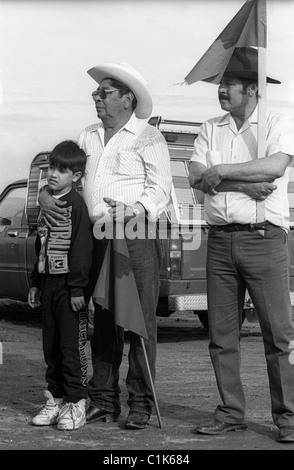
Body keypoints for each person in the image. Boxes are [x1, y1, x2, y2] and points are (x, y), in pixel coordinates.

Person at [38, 62, 172, 430]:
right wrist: (45, 194)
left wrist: (133, 209)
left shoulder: (148, 137)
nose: (97, 98)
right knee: (104, 320)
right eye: (96, 93)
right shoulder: (87, 135)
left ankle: (141, 402)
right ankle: (102, 399)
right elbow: (66, 172)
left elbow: (161, 189)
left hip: (137, 234)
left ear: (127, 99)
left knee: (139, 321)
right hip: (96, 234)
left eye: (105, 93)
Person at [189, 47, 294, 443]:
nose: (222, 90)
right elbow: (198, 176)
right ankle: (230, 413)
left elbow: (275, 167)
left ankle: (288, 418)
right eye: (221, 83)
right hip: (220, 242)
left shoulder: (278, 123)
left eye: (230, 84)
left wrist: (221, 173)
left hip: (264, 238)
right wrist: (242, 183)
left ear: (252, 89)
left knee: (278, 335)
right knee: (221, 335)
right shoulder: (209, 129)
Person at [28, 140, 93, 431]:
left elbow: (81, 249)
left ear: (76, 176)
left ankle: (76, 403)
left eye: (62, 170)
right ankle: (54, 399)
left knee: (71, 348)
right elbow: (40, 244)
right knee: (50, 347)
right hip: (49, 284)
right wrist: (36, 282)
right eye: (52, 167)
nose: (54, 174)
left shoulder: (77, 207)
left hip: (70, 288)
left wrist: (78, 288)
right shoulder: (47, 203)